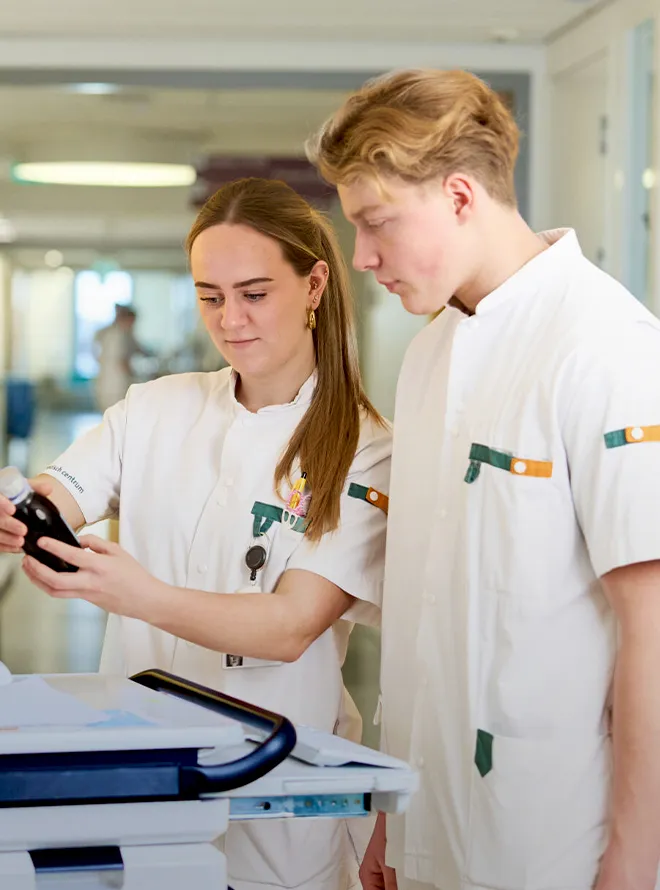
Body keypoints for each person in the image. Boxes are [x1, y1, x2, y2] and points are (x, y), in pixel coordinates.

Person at [308, 68, 660, 890]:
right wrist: (389, 822)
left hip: (552, 842)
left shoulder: (607, 346)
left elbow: (652, 628)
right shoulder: (432, 352)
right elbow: (425, 623)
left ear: (460, 196)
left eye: (376, 223)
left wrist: (637, 862)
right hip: (428, 829)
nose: (362, 257)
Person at [0, 178, 391, 890]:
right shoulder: (156, 407)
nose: (230, 319)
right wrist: (26, 512)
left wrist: (138, 595)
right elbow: (64, 491)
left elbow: (289, 626)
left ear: (314, 285)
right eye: (210, 296)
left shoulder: (365, 448)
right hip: (137, 778)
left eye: (254, 292)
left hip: (275, 792)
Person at [93, 304, 151, 411]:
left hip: (104, 385)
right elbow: (122, 363)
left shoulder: (109, 334)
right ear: (126, 319)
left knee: (110, 420)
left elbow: (139, 348)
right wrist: (137, 379)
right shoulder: (120, 336)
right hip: (116, 387)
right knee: (117, 420)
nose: (133, 326)